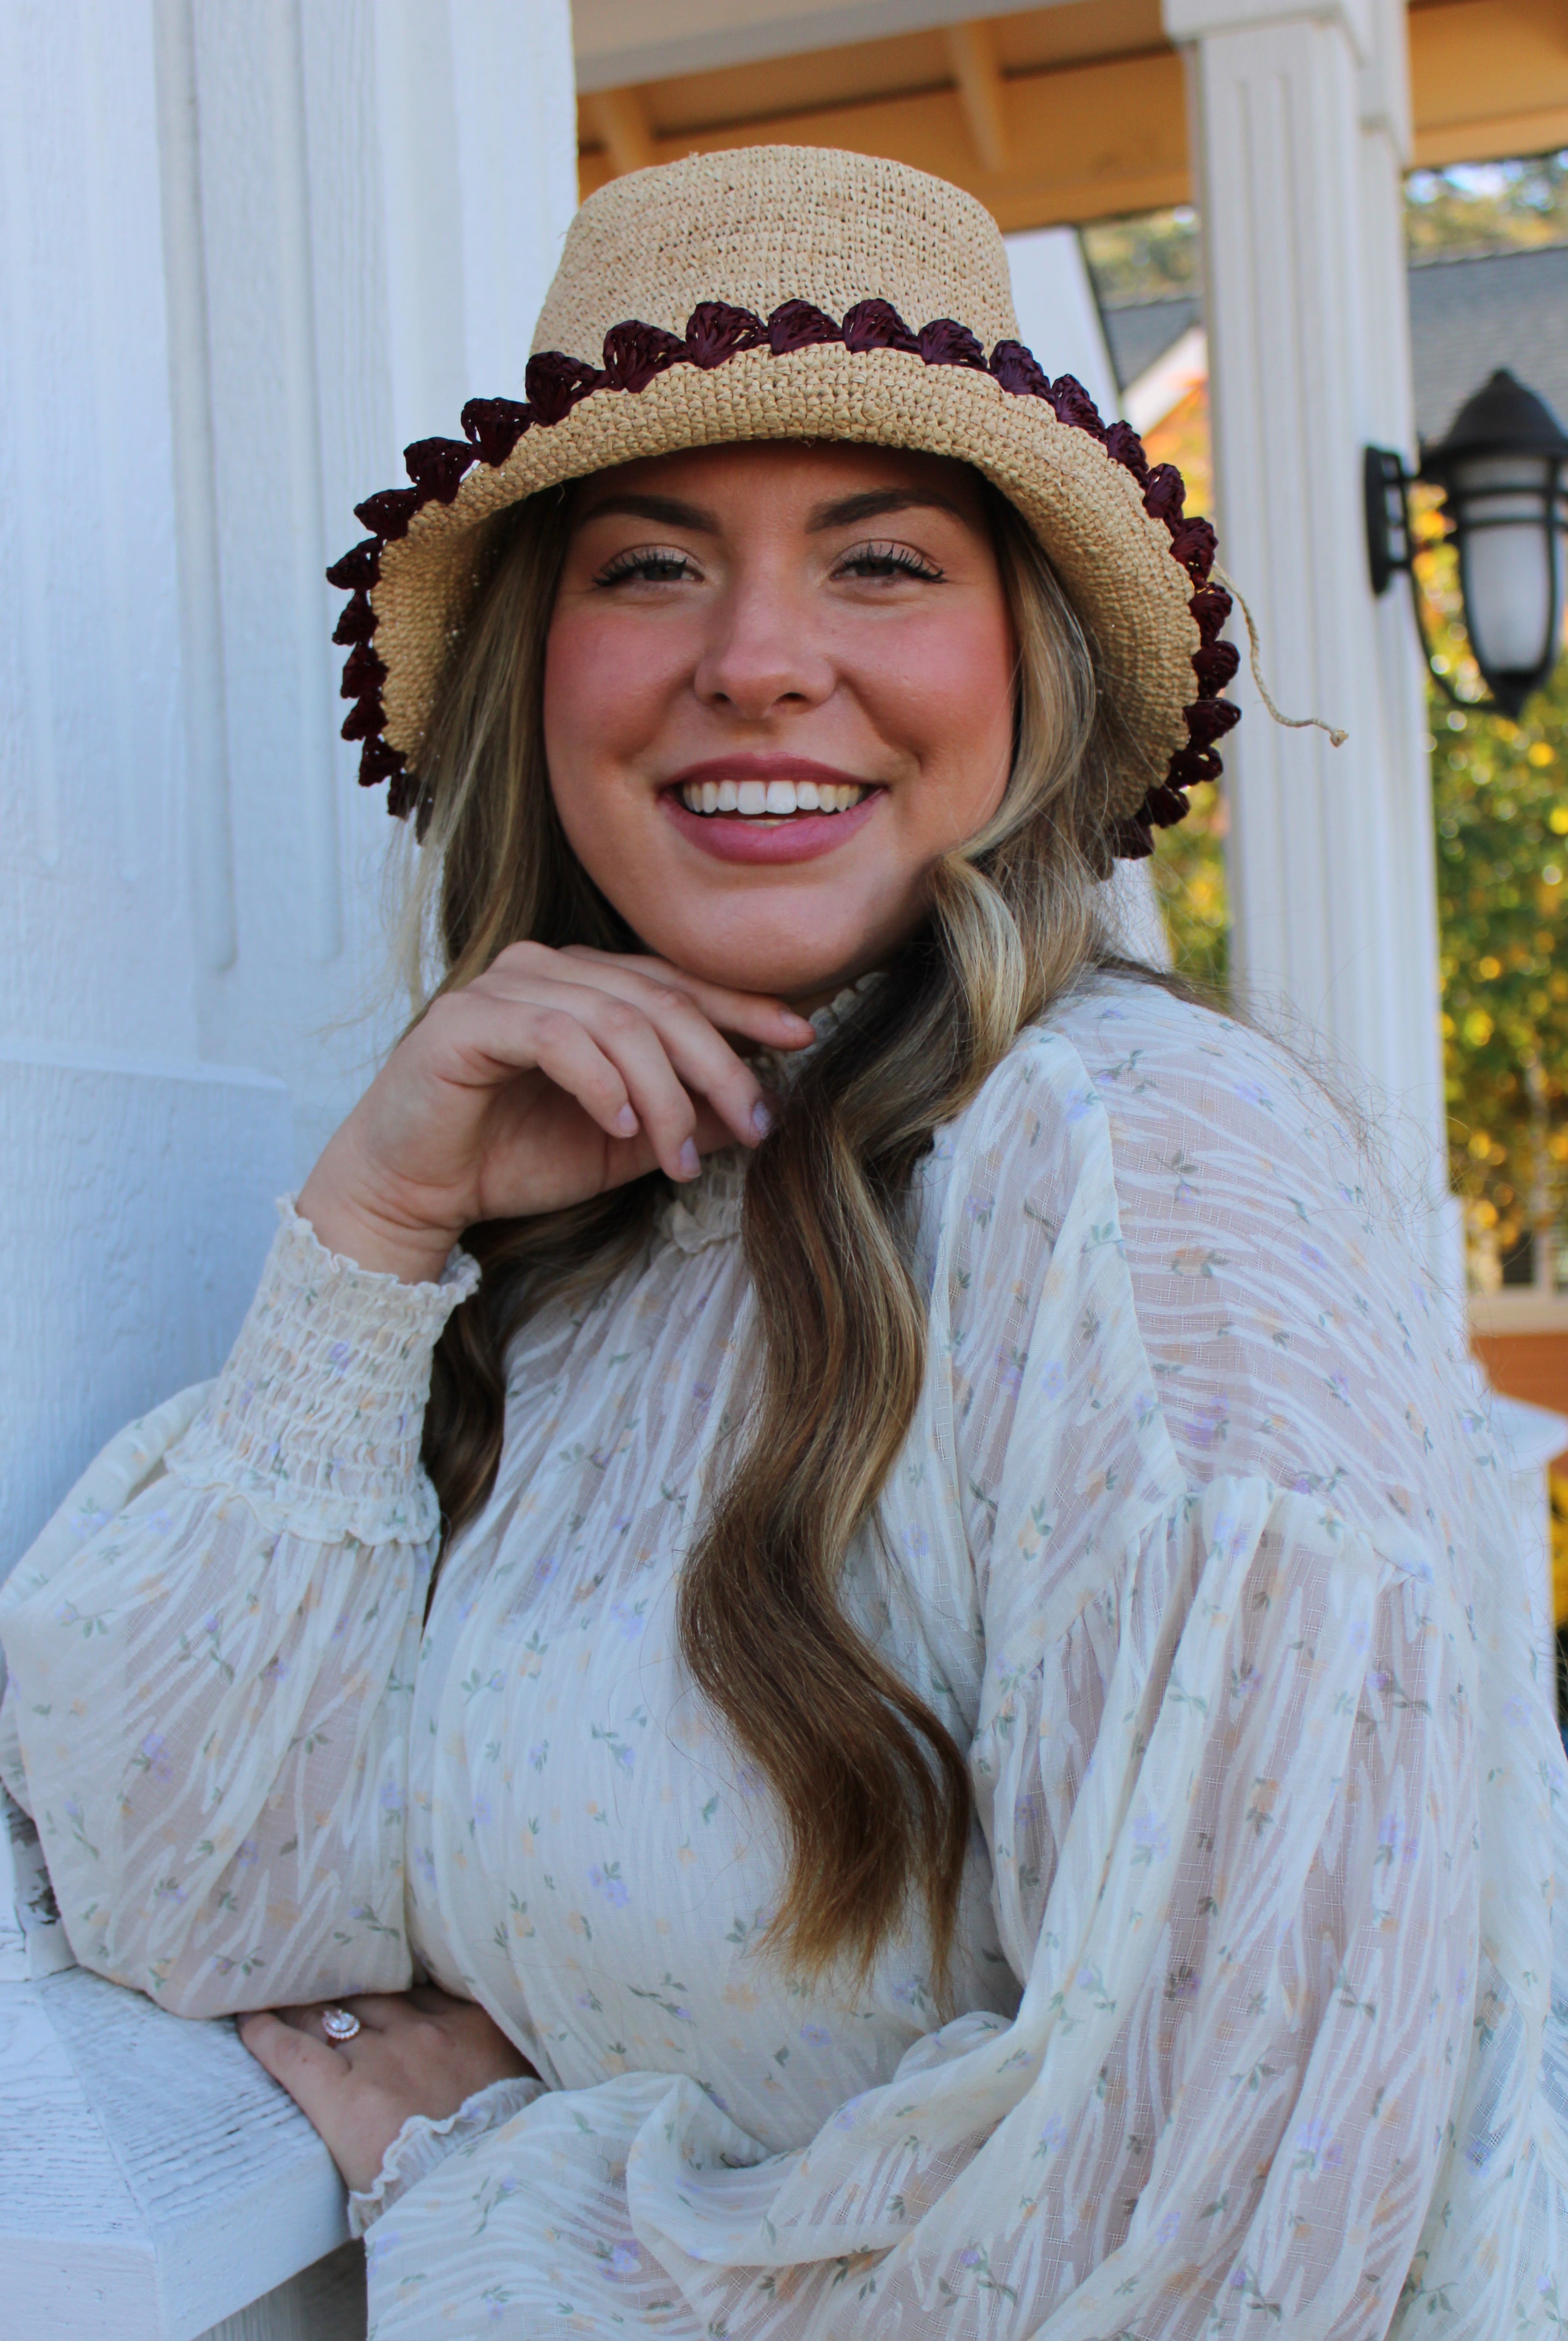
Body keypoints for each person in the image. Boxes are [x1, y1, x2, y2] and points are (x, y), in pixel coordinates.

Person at [1, 145, 1563, 2341]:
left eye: (878, 562)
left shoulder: (1137, 1186)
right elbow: (203, 1901)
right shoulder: (605, 1236)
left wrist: (493, 2194)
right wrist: (375, 1232)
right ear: (540, 675)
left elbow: (1217, 2231)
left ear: (1019, 663)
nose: (754, 663)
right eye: (650, 566)